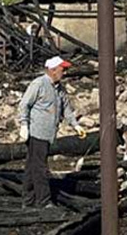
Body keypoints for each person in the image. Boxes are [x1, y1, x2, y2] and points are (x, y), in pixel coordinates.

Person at [18, 56, 85, 207]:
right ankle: (44, 201)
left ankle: (28, 201)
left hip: (48, 134)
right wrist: (24, 124)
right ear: (52, 70)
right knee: (40, 167)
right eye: (63, 69)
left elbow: (66, 109)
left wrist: (76, 125)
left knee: (31, 166)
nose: (65, 72)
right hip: (37, 133)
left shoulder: (59, 88)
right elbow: (24, 104)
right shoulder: (39, 84)